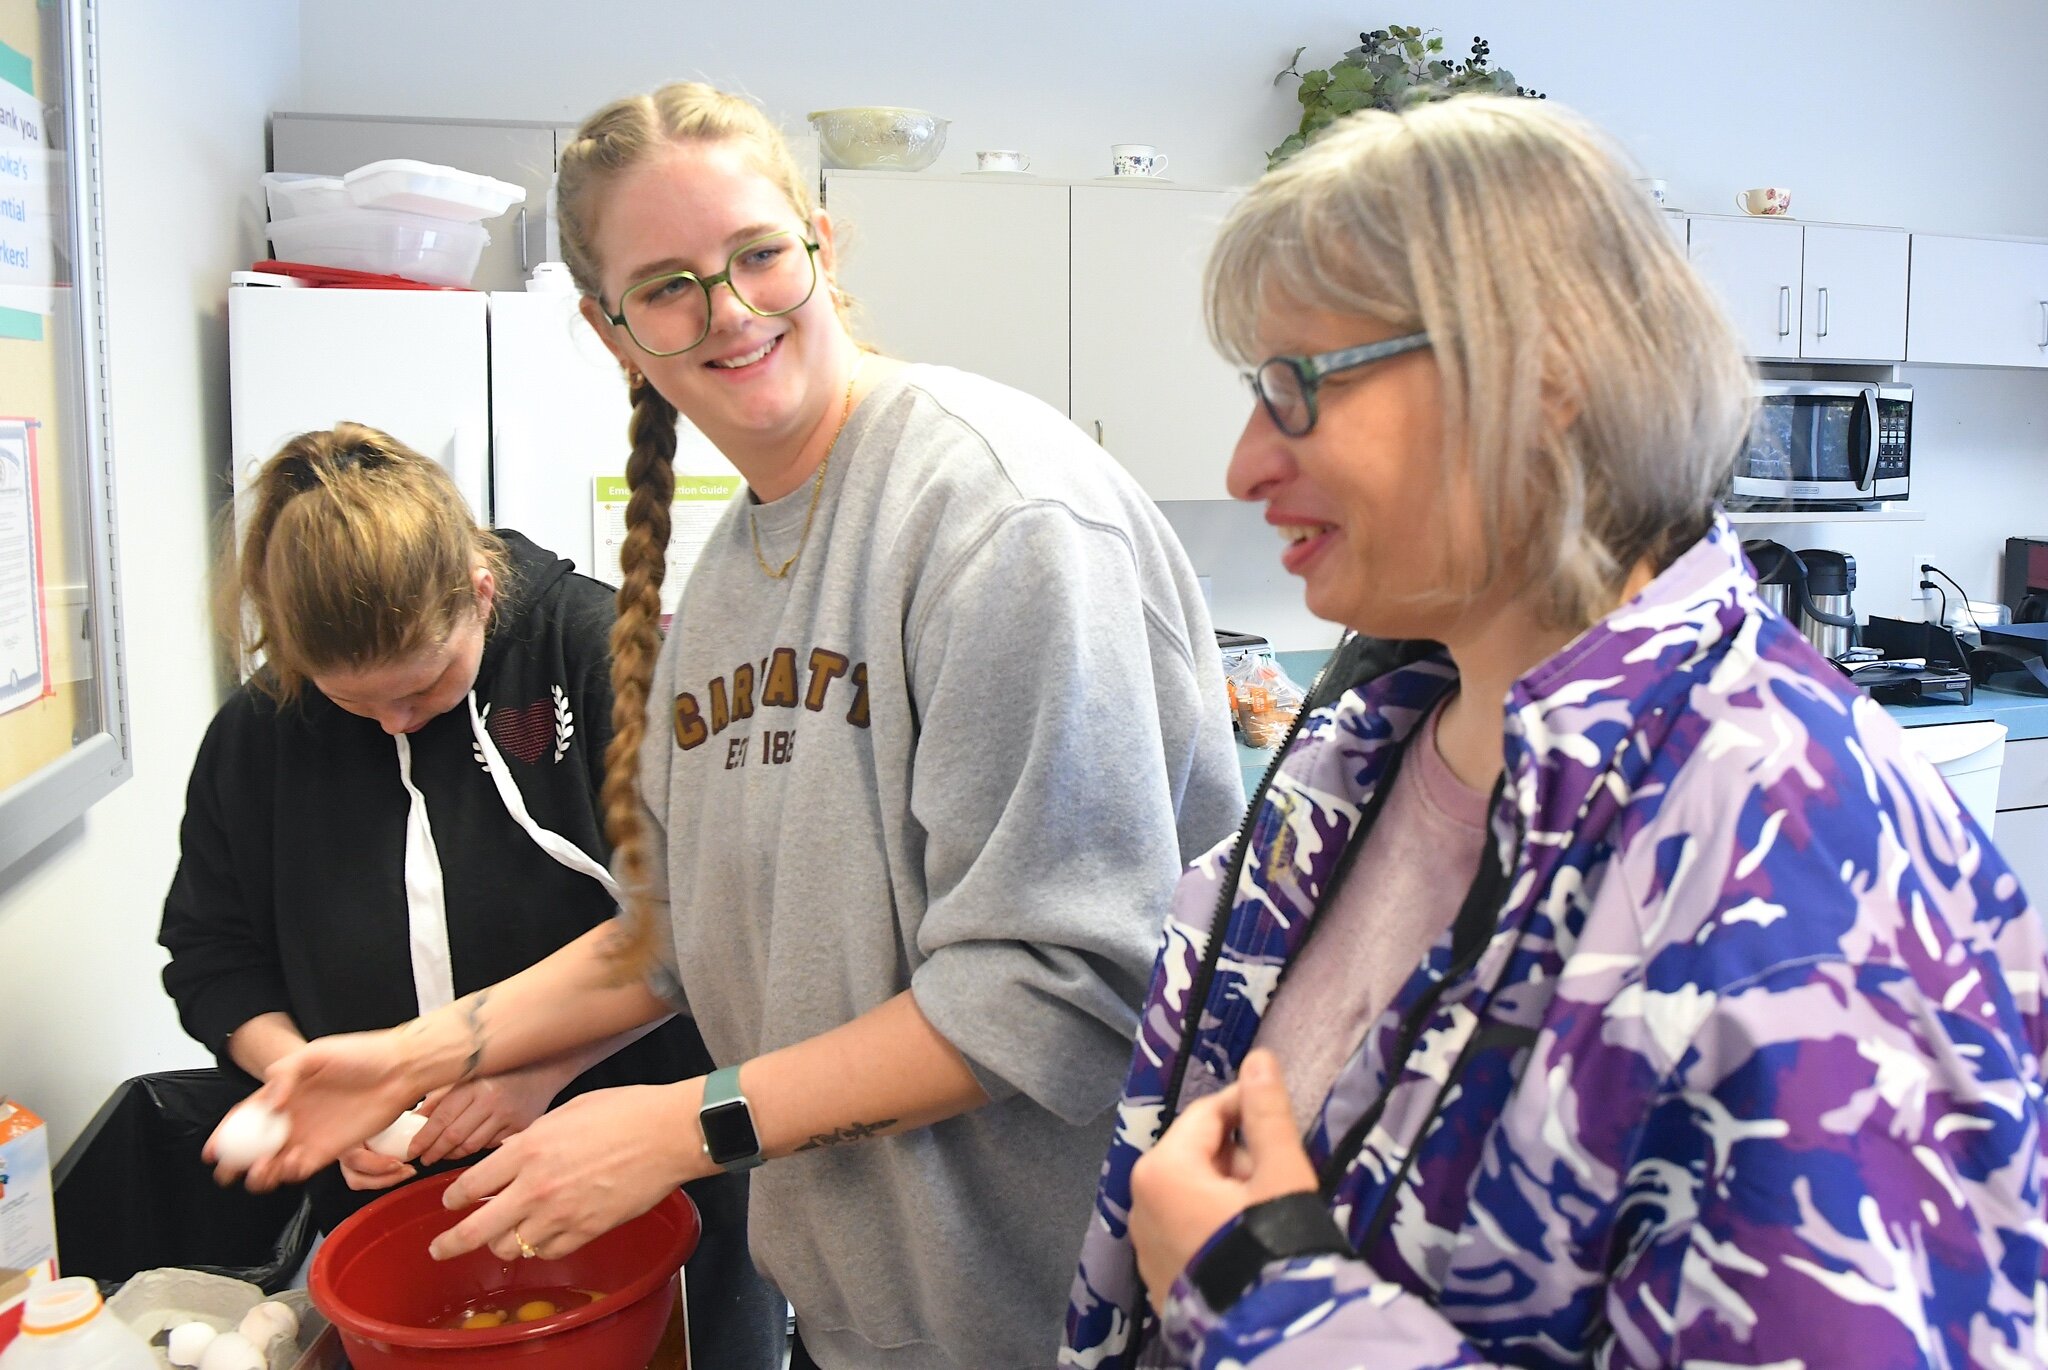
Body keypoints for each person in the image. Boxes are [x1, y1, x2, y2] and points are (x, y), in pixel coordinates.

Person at [206, 86, 1245, 1370]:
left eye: (758, 256)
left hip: (1059, 1319)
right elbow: (681, 935)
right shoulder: (721, 591)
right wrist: (409, 1054)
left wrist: (675, 1127)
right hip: (868, 1315)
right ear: (610, 328)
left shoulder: (995, 516)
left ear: (820, 241)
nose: (732, 311)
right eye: (668, 286)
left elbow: (1055, 983)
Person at [1064, 96, 2048, 1368]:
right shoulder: (1362, 753)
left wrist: (1252, 1290)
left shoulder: (1794, 870)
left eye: (1295, 387)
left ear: (1543, 377)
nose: (1248, 461)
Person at [158, 424, 785, 1369]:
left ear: (481, 595)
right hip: (394, 1210)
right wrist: (317, 1086)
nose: (395, 723)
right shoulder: (258, 735)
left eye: (422, 688)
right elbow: (211, 955)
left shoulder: (601, 656)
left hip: (645, 1166)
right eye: (355, 703)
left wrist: (540, 1072)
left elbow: (704, 926)